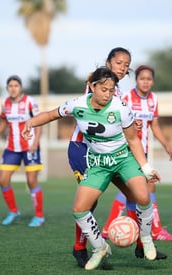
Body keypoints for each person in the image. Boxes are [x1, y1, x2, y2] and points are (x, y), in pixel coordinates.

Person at [22, 67, 161, 270]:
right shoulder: (77, 105)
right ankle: (100, 247)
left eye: (112, 90)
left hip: (123, 159)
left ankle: (146, 237)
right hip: (98, 163)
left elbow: (133, 140)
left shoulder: (120, 107)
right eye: (104, 89)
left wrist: (146, 168)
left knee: (142, 196)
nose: (108, 94)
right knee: (79, 209)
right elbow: (52, 115)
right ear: (92, 86)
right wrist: (30, 122)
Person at [69, 48, 167, 267]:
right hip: (83, 149)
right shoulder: (99, 83)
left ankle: (142, 243)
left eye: (126, 64)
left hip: (112, 154)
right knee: (89, 202)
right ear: (107, 63)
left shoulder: (117, 91)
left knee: (135, 194)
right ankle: (80, 249)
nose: (123, 67)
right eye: (119, 63)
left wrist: (133, 124)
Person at [101, 65, 172, 242]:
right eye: (142, 78)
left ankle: (108, 228)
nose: (145, 82)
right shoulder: (126, 97)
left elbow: (154, 125)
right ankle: (155, 231)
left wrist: (166, 145)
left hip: (143, 151)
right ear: (136, 80)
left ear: (153, 81)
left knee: (139, 188)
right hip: (127, 150)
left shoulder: (153, 99)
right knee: (143, 187)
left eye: (149, 79)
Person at [0, 75, 44, 227]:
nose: (13, 88)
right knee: (3, 179)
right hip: (12, 148)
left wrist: (36, 142)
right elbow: (4, 122)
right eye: (10, 86)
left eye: (16, 85)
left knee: (31, 181)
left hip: (29, 146)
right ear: (7, 88)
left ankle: (39, 215)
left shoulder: (30, 102)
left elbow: (39, 122)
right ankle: (13, 211)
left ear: (21, 87)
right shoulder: (5, 103)